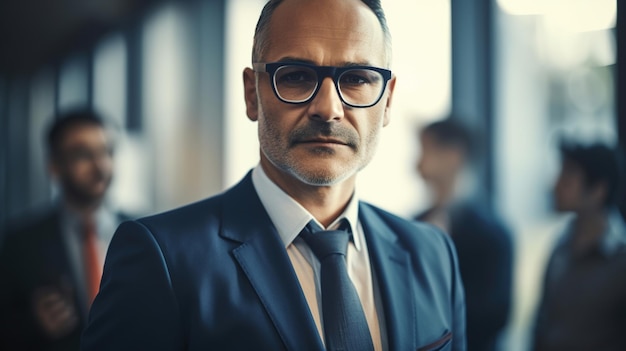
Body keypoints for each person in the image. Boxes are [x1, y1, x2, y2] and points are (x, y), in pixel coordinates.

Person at [81, 0, 466, 350]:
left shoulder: (432, 255)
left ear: (387, 101)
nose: (327, 108)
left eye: (357, 78)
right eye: (296, 76)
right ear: (252, 93)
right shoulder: (160, 259)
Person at [0, 108, 128, 350]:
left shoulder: (145, 230)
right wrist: (31, 323)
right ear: (54, 165)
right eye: (82, 154)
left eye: (106, 152)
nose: (100, 165)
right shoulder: (20, 243)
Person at [414, 118, 513, 351]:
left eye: (425, 149)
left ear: (453, 156)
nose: (417, 162)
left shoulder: (492, 233)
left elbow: (494, 316)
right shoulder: (415, 223)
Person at [532, 141, 626, 351]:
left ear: (598, 190)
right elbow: (542, 322)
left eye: (567, 179)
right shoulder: (561, 246)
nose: (555, 186)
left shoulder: (621, 260)